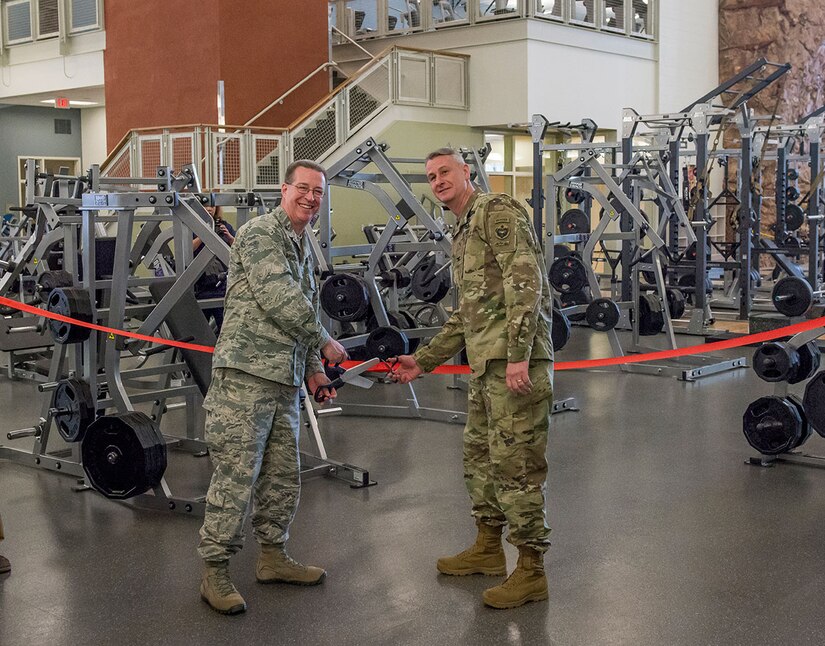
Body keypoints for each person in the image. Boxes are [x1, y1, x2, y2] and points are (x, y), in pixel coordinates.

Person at [391, 148, 554, 609]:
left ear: (467, 173)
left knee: (517, 465)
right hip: (486, 367)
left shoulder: (496, 212)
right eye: (431, 175)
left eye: (445, 172)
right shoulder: (461, 230)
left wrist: (520, 355)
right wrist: (422, 361)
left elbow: (527, 282)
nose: (438, 180)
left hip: (514, 365)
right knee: (481, 458)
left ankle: (531, 570)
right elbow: (467, 314)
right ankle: (487, 548)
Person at [197, 160, 348, 615]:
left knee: (282, 476)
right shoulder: (262, 233)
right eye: (302, 188)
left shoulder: (303, 243)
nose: (310, 197)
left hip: (283, 380)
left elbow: (294, 311)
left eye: (318, 192)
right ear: (284, 190)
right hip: (245, 376)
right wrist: (324, 339)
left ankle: (272, 557)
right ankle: (215, 570)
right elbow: (279, 298)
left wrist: (312, 371)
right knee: (237, 476)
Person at [192, 205, 235, 333]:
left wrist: (229, 237)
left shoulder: (224, 225)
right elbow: (187, 248)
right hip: (201, 284)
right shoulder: (191, 225)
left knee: (226, 329)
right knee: (200, 331)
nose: (209, 209)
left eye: (212, 206)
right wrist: (204, 234)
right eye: (205, 206)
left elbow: (239, 248)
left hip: (222, 285)